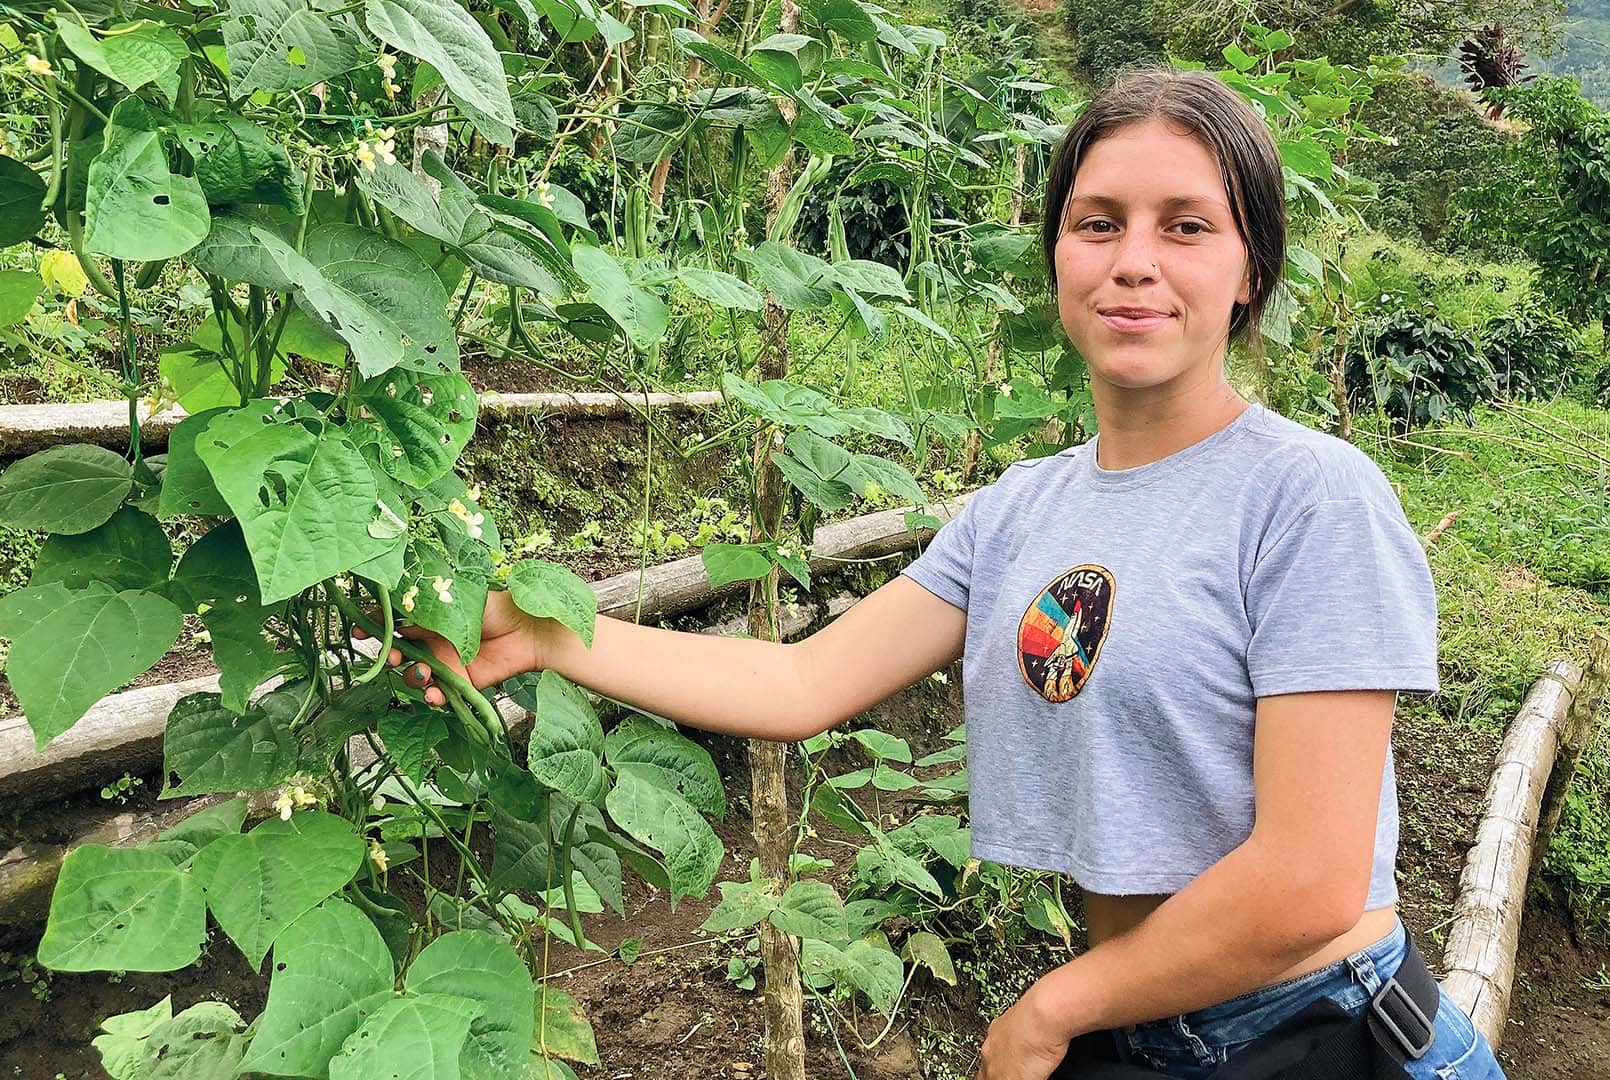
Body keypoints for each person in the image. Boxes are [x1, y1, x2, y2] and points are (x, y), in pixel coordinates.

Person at [364, 63, 1508, 1080]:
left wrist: (1049, 1009)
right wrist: (546, 634)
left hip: (1318, 1030)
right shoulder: (1020, 509)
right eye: (1098, 223)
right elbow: (800, 687)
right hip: (1140, 1021)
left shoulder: (1309, 497)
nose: (1135, 264)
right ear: (1054, 252)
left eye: (1188, 227)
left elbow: (1309, 880)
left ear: (1253, 265)